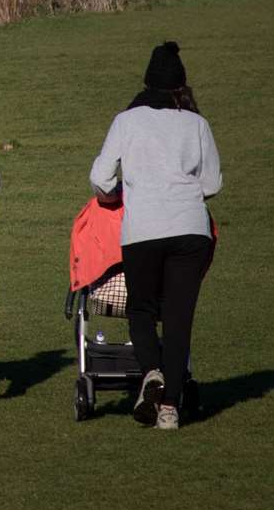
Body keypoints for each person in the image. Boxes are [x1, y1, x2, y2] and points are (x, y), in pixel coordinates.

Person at [89, 41, 220, 431]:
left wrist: (115, 194)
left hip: (143, 228)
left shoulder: (126, 121)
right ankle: (169, 409)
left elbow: (100, 177)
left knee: (141, 309)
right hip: (191, 229)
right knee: (178, 320)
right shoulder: (197, 124)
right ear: (180, 85)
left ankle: (150, 372)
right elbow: (212, 183)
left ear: (147, 81)